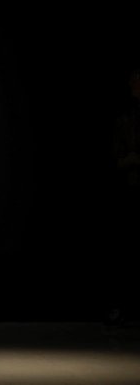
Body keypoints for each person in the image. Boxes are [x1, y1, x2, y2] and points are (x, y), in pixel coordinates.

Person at [105, 67, 140, 326]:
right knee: (128, 250)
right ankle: (124, 308)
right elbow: (116, 159)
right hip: (131, 190)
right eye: (134, 83)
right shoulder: (124, 121)